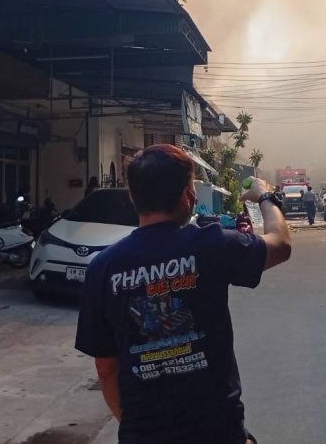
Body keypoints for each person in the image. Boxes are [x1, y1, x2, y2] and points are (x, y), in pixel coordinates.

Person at [75, 145, 291, 442]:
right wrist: (264, 196)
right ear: (188, 195)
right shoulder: (212, 245)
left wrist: (140, 428)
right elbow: (280, 243)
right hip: (218, 433)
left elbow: (105, 369)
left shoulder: (103, 267)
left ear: (132, 196)